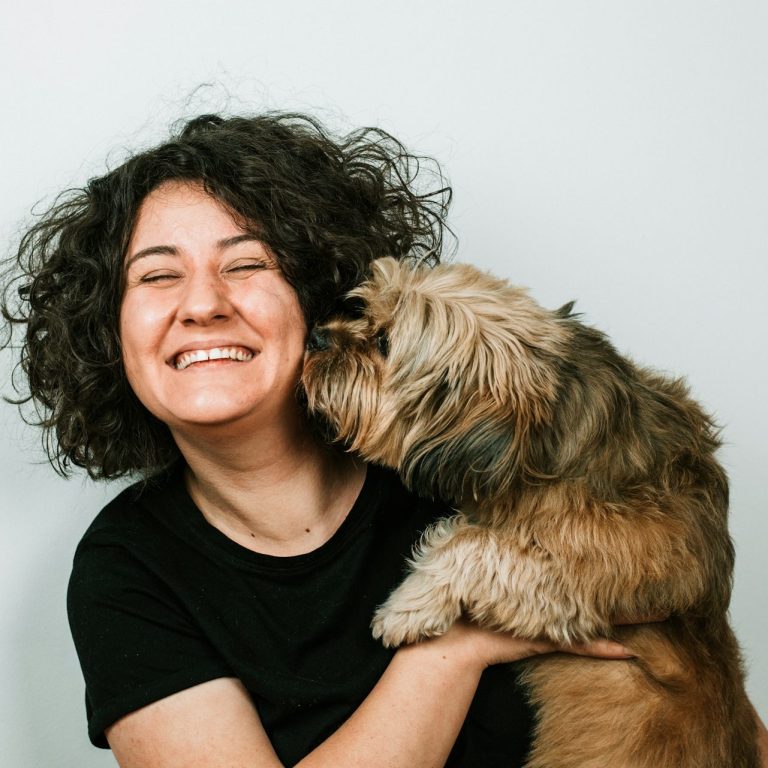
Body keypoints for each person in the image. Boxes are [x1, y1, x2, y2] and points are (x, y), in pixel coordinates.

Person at [2, 112, 766, 768]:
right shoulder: (128, 569)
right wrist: (453, 648)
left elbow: (712, 706)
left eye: (246, 263)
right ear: (107, 332)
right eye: (156, 277)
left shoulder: (471, 459)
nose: (203, 303)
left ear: (314, 297)